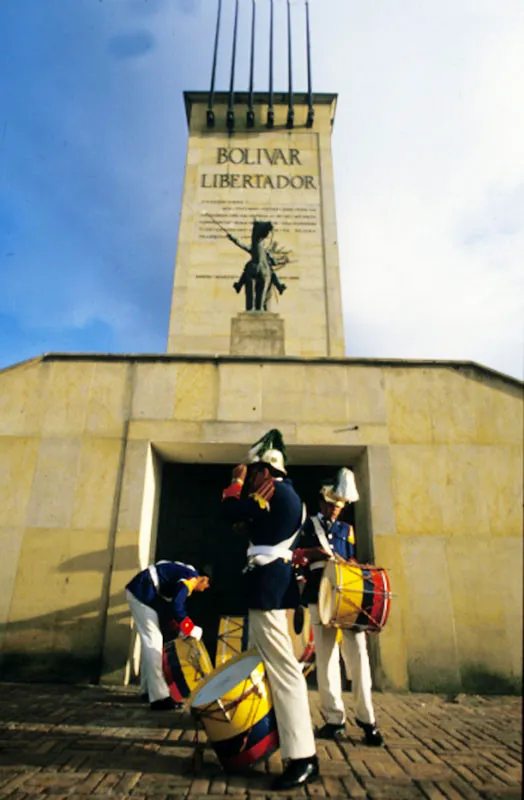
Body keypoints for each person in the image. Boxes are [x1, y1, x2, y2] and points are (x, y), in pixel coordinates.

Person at [220, 429, 319, 790]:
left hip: (269, 587)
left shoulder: (275, 492)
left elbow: (229, 510)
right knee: (275, 668)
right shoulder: (285, 495)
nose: (250, 480)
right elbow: (242, 521)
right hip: (269, 585)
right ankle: (271, 739)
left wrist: (234, 482)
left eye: (252, 473)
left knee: (283, 672)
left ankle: (302, 756)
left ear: (264, 472)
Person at [294, 469, 384, 746]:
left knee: (358, 656)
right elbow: (294, 555)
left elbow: (351, 560)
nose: (334, 510)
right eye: (331, 505)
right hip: (318, 598)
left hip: (347, 600)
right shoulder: (307, 526)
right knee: (326, 659)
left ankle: (367, 719)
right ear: (322, 502)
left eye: (339, 506)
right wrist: (312, 554)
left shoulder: (348, 530)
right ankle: (334, 719)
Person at [126, 560, 210, 710]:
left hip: (144, 591)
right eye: (207, 584)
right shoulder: (190, 580)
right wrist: (188, 627)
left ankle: (148, 689)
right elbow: (177, 604)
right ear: (203, 579)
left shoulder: (186, 572)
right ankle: (159, 698)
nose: (206, 588)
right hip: (143, 592)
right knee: (154, 643)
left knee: (151, 643)